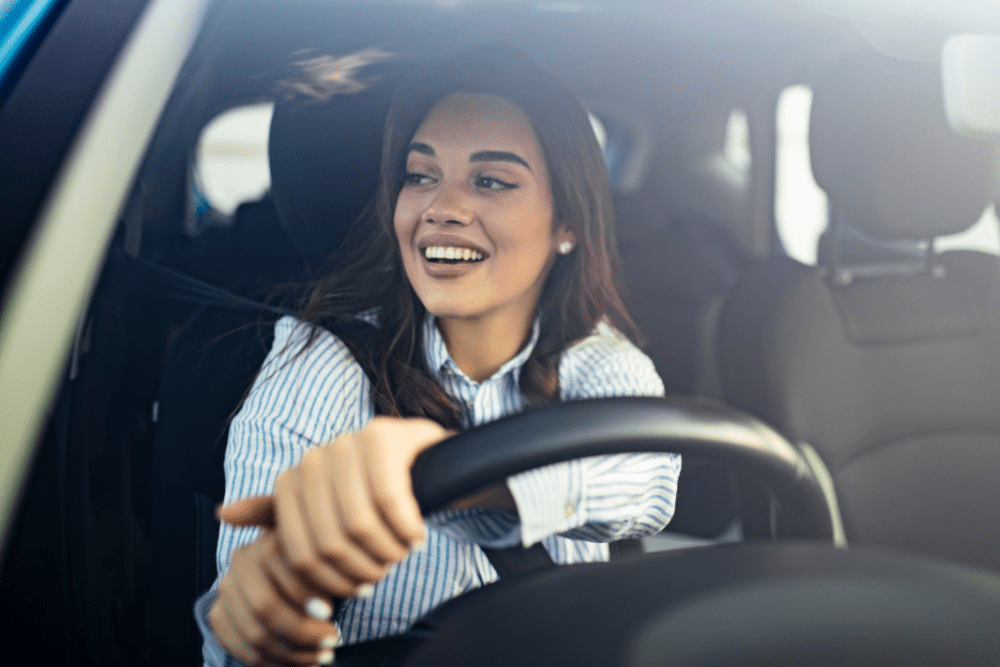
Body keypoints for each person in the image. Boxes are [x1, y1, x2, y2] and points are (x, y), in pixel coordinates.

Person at [195, 43, 682, 667]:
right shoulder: (324, 360)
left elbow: (646, 480)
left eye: (491, 181)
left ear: (567, 226)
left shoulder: (596, 357)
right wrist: (270, 600)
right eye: (419, 176)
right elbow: (253, 602)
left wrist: (447, 473)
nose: (441, 209)